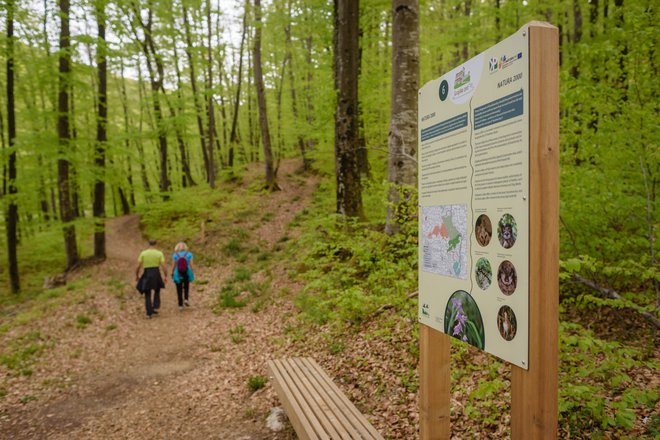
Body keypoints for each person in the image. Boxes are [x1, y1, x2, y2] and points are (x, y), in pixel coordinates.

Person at [136, 239, 168, 319]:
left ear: (149, 244)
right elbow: (163, 266)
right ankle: (155, 306)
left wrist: (137, 275)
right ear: (156, 244)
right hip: (156, 273)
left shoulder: (143, 253)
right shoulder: (159, 253)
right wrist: (165, 275)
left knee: (147, 293)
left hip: (147, 273)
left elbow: (138, 266)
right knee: (157, 289)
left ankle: (148, 313)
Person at [171, 241, 194, 311]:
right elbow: (191, 264)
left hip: (178, 273)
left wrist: (172, 272)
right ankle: (186, 299)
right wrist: (192, 271)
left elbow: (174, 265)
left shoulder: (175, 255)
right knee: (186, 286)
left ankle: (180, 305)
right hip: (187, 272)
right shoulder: (189, 254)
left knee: (179, 289)